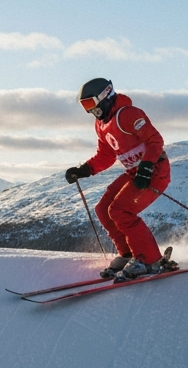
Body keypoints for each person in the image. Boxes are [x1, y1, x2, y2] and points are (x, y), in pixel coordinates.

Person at [64, 78, 177, 281]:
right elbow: (106, 156)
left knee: (121, 210)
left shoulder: (128, 115)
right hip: (135, 172)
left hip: (154, 170)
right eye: (84, 106)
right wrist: (84, 170)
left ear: (104, 96)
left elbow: (155, 141)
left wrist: (146, 167)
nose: (89, 110)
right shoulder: (101, 124)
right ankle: (129, 255)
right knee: (103, 209)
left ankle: (150, 260)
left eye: (89, 104)